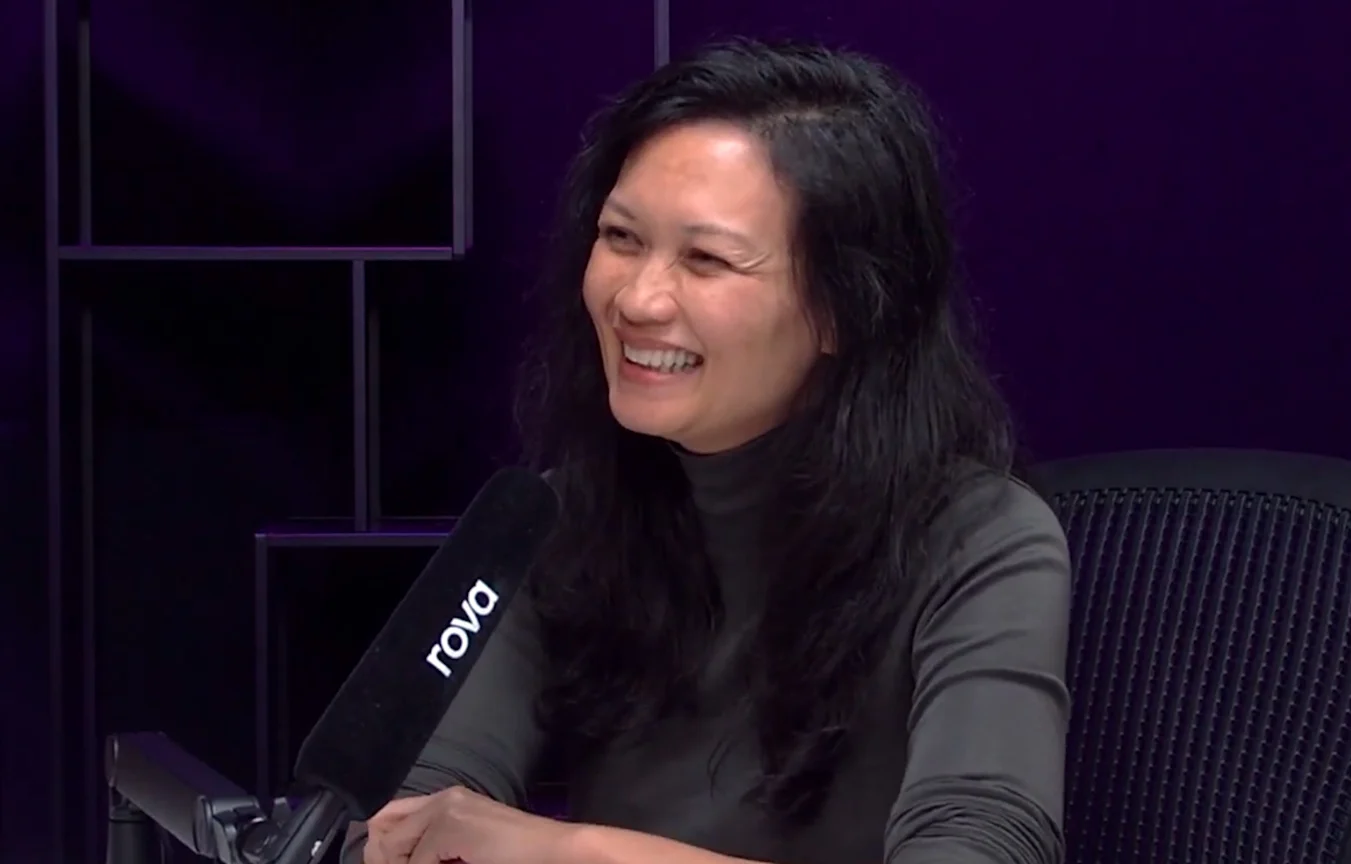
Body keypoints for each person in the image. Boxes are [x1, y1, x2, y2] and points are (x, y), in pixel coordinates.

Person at [345, 38, 1070, 864]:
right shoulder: (560, 519)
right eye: (620, 238)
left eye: (707, 260)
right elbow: (417, 809)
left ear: (846, 307)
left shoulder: (981, 541)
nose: (638, 298)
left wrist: (564, 851)